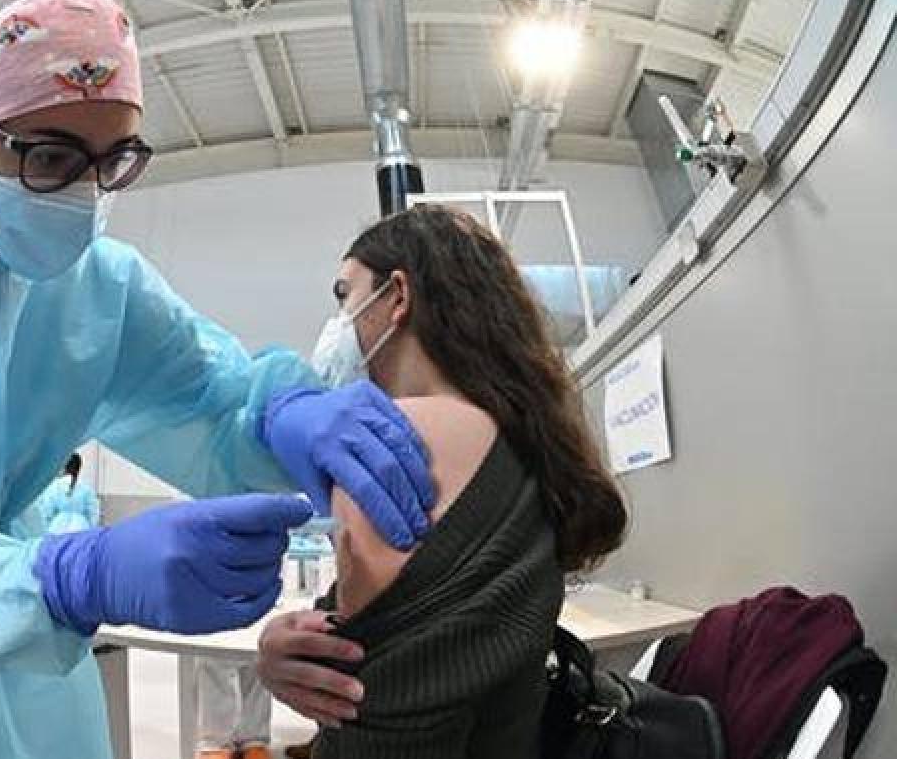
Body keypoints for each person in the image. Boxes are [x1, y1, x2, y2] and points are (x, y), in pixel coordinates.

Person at [0, 0, 434, 759]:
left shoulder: (104, 288)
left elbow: (209, 400)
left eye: (112, 160)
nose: (85, 195)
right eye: (51, 157)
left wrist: (278, 415)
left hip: (35, 667)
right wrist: (71, 578)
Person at [256, 205, 628, 758]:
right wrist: (297, 645)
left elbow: (372, 718)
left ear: (397, 297)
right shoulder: (524, 440)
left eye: (344, 294)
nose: (338, 320)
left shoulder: (391, 443)